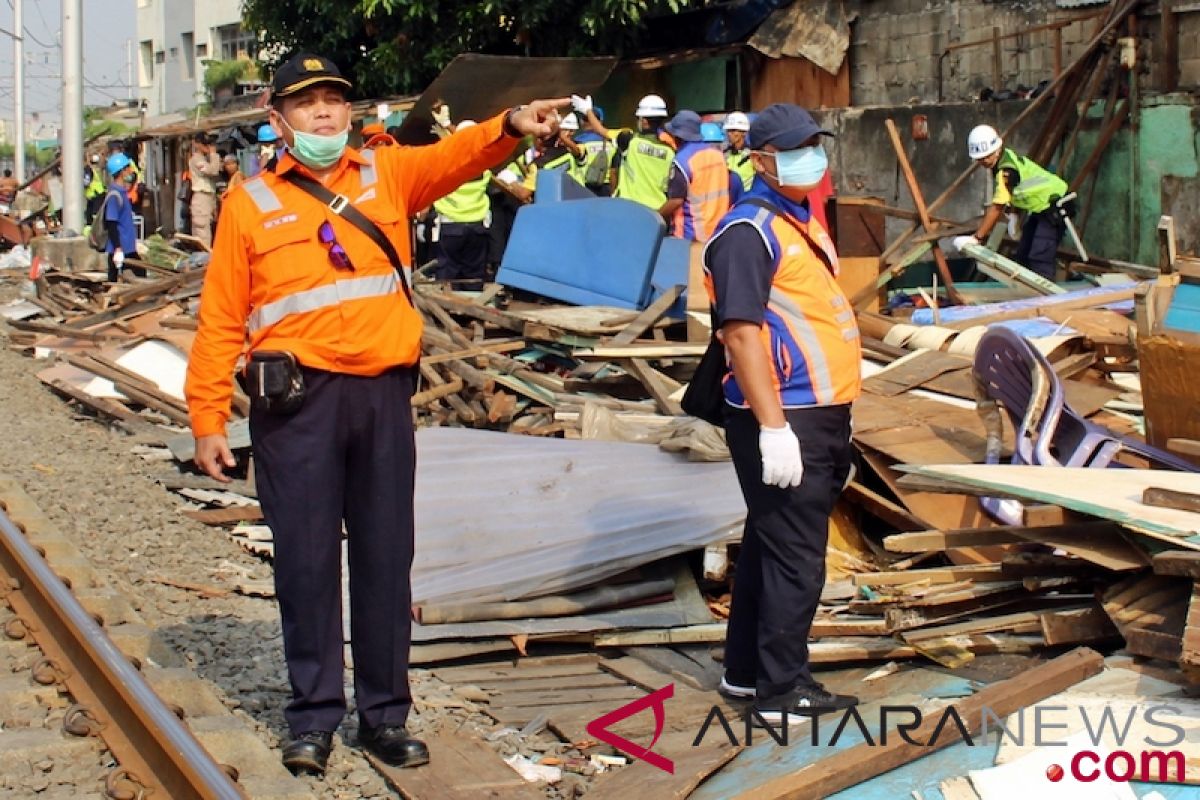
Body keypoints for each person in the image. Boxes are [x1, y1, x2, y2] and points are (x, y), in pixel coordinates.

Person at [183, 51, 567, 778]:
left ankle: (385, 715)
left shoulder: (385, 175)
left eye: (334, 101)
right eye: (307, 104)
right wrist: (207, 416)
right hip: (296, 406)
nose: (325, 114)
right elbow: (219, 318)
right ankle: (314, 716)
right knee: (305, 561)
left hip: (383, 397)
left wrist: (512, 125)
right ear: (279, 120)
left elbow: (457, 154)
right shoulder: (249, 203)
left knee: (387, 559)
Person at [702, 103, 861, 725]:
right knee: (798, 558)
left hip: (815, 412)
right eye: (797, 149)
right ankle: (782, 690)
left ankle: (745, 674)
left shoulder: (796, 221)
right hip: (786, 416)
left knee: (773, 548)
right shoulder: (748, 232)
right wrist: (773, 429)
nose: (812, 159)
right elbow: (739, 335)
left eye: (815, 146)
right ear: (762, 159)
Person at [954, 124, 1070, 280]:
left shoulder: (1006, 171)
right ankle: (1028, 295)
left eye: (988, 156)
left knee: (1039, 255)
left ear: (997, 150)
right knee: (1023, 254)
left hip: (1056, 204)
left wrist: (977, 238)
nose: (985, 161)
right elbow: (1017, 191)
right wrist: (1013, 214)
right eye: (981, 159)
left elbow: (997, 206)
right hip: (1041, 208)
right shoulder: (1003, 159)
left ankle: (1047, 299)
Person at [573, 93, 674, 213]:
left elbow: (600, 130)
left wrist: (588, 110)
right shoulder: (670, 151)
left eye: (638, 119)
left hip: (631, 208)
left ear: (644, 121)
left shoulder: (629, 140)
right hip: (657, 212)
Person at [432, 120, 492, 284]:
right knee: (473, 275)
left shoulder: (446, 165)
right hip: (477, 226)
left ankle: (447, 307)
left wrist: (446, 134)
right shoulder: (484, 166)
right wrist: (449, 125)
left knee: (447, 275)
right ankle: (471, 306)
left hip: (451, 226)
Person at [661, 110, 734, 241]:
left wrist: (657, 215)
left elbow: (676, 200)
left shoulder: (682, 161)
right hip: (718, 232)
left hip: (690, 236)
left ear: (678, 136)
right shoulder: (717, 155)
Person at [102, 152, 142, 281]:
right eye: (128, 168)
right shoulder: (114, 195)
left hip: (127, 246)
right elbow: (111, 223)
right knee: (119, 280)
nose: (130, 171)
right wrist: (118, 248)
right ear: (122, 171)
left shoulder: (122, 192)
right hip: (121, 248)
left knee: (137, 276)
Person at [188, 133, 221, 247]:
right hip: (201, 197)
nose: (208, 147)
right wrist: (213, 154)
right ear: (197, 144)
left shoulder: (206, 159)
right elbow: (213, 171)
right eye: (205, 144)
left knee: (211, 229)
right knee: (202, 233)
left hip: (209, 197)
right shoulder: (196, 159)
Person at [722, 112, 755, 191]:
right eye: (728, 130)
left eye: (733, 130)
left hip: (746, 198)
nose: (730, 134)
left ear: (744, 132)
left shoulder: (753, 155)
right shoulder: (725, 154)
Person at [85, 154, 106, 224]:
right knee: (93, 215)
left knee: (92, 216)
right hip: (99, 193)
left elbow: (86, 182)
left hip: (95, 194)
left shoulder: (89, 169)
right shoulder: (100, 169)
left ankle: (94, 230)